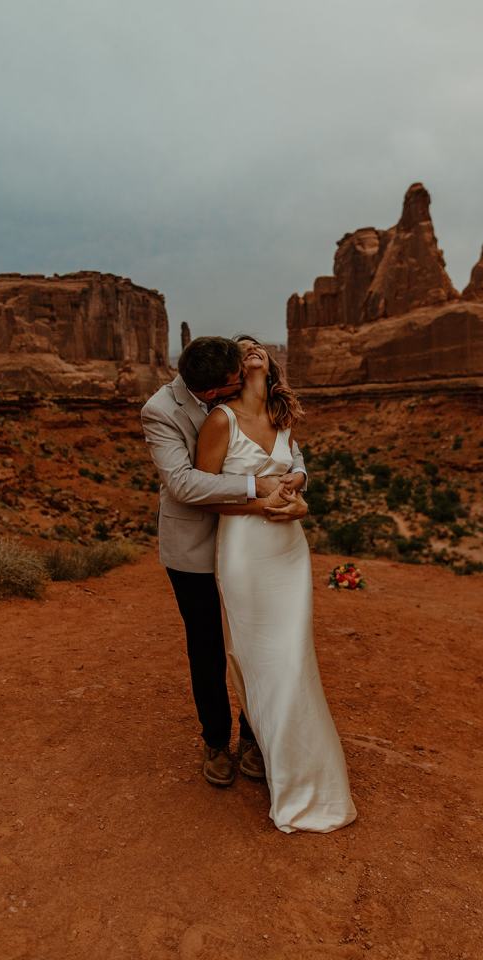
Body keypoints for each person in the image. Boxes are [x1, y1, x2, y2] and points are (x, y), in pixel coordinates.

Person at [195, 336, 357, 833]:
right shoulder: (220, 420)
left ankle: (291, 766)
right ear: (233, 367)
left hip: (290, 550)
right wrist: (259, 505)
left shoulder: (282, 417)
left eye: (256, 344)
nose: (251, 348)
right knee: (258, 655)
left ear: (269, 361)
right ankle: (269, 756)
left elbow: (299, 465)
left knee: (293, 657)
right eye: (240, 347)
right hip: (245, 550)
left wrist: (300, 493)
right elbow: (204, 492)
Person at [140, 336, 308, 788]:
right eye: (230, 384)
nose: (238, 384)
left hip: (251, 544)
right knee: (207, 647)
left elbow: (286, 445)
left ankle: (254, 736)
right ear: (211, 390)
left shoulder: (241, 380)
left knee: (257, 642)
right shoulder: (160, 411)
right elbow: (184, 485)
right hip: (194, 546)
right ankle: (216, 740)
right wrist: (260, 487)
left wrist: (298, 479)